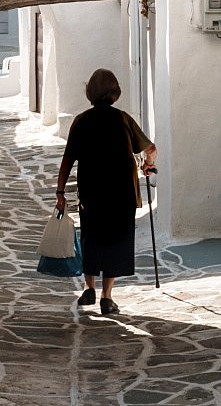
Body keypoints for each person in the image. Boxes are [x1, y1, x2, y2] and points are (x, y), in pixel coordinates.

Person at [55, 67, 157, 314]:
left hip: (91, 191)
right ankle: (106, 296)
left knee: (91, 236)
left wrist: (60, 192)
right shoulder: (122, 118)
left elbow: (68, 159)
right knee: (117, 240)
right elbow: (150, 148)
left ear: (90, 93)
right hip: (122, 191)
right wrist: (148, 166)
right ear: (116, 94)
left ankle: (88, 288)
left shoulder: (81, 121)